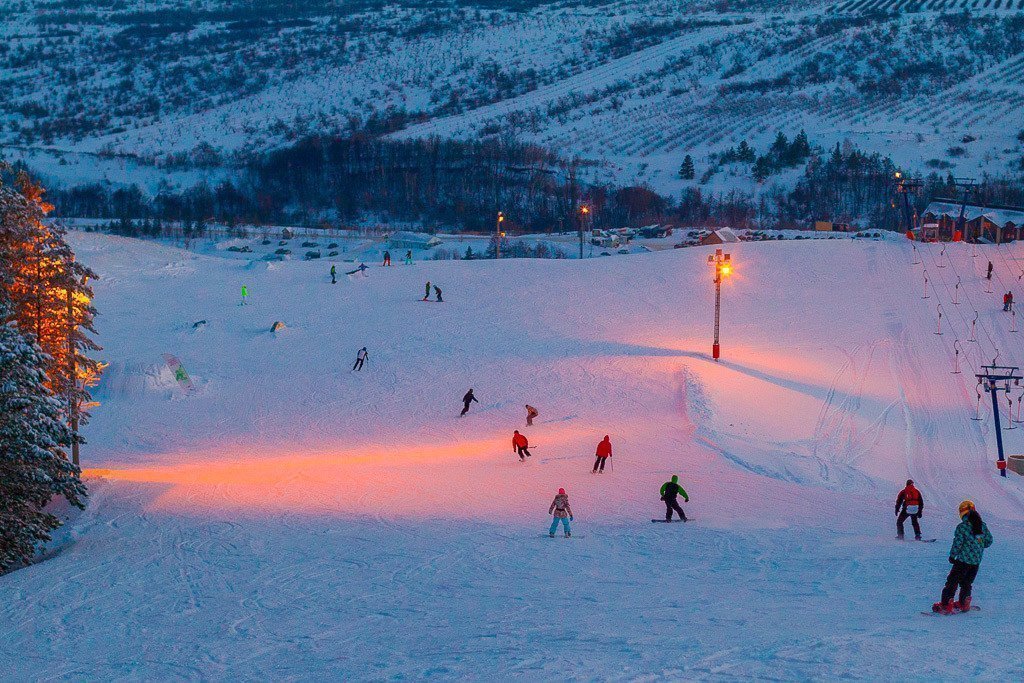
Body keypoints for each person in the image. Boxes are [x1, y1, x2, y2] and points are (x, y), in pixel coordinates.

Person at [933, 500, 993, 614]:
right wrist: (979, 546)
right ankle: (964, 602)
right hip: (975, 562)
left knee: (952, 582)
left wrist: (952, 556)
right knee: (967, 583)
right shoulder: (982, 526)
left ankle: (946, 604)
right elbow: (989, 541)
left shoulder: (963, 527)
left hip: (962, 561)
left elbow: (958, 543)